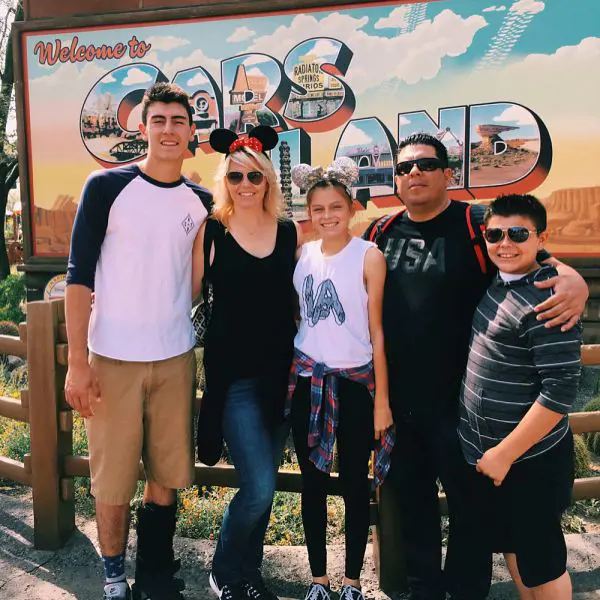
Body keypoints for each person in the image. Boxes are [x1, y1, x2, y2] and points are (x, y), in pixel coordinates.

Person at [363, 133, 588, 600]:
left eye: (426, 165)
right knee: (413, 507)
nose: (414, 174)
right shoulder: (379, 232)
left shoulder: (476, 221)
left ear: (448, 173)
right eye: (404, 169)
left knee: (471, 516)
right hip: (398, 404)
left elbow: (528, 249)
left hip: (460, 410)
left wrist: (574, 281)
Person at [64, 82, 211, 600]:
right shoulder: (105, 188)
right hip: (112, 358)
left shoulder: (202, 202)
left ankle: (153, 573)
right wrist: (77, 363)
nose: (169, 130)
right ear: (142, 127)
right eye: (160, 120)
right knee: (112, 478)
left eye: (179, 121)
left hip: (174, 356)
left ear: (192, 131)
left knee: (167, 471)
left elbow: (196, 280)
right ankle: (112, 578)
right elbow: (79, 276)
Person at [195, 126, 301, 600]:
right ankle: (222, 571)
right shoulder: (212, 230)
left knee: (267, 485)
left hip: (281, 377)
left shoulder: (289, 233)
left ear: (267, 182)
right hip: (233, 378)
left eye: (254, 177)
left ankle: (247, 575)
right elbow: (188, 295)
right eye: (235, 175)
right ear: (225, 179)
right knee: (257, 486)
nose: (244, 184)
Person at [459, 194, 581, 600]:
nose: (505, 243)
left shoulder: (550, 299)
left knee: (543, 566)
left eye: (518, 234)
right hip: (497, 459)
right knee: (516, 551)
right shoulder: (501, 279)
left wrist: (505, 453)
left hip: (529, 461)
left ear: (541, 237)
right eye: (496, 234)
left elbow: (561, 390)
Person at [287, 158, 394, 600]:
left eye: (336, 207)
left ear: (351, 208)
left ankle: (351, 581)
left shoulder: (368, 257)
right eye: (318, 209)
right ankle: (318, 580)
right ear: (308, 213)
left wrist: (382, 400)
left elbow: (377, 331)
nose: (327, 216)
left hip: (353, 385)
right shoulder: (302, 255)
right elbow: (300, 318)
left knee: (354, 483)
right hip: (309, 383)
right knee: (311, 485)